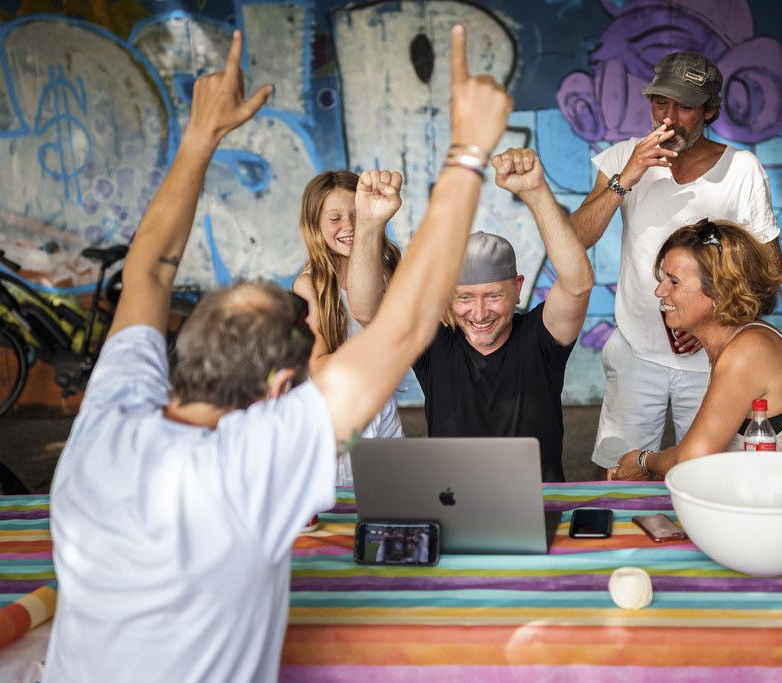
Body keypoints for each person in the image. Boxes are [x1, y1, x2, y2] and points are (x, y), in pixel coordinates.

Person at [44, 25, 512, 682]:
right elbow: (401, 331)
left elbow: (147, 268)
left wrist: (199, 135)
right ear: (278, 385)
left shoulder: (105, 415)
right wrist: (466, 151)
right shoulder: (249, 469)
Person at [569, 51, 782, 474]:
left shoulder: (741, 170)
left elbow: (770, 274)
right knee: (617, 475)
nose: (669, 117)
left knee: (710, 477)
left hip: (713, 357)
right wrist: (625, 178)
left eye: (684, 106)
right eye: (660, 103)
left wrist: (711, 320)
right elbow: (574, 240)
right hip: (635, 348)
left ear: (710, 109)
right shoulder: (622, 159)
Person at [608, 219, 782, 480]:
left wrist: (644, 461)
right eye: (663, 278)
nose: (659, 290)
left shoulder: (748, 351)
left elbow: (692, 458)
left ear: (719, 291)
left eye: (674, 281)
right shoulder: (738, 340)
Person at [413, 147, 594, 482]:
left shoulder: (540, 338)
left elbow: (578, 284)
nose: (479, 313)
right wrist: (369, 223)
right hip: (452, 501)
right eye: (464, 297)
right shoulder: (433, 344)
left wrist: (536, 192)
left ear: (517, 288)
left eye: (494, 295)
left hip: (539, 503)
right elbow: (366, 309)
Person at [293, 169, 405, 483]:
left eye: (357, 215)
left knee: (393, 491)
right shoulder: (310, 285)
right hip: (335, 415)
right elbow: (317, 366)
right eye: (335, 218)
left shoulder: (387, 267)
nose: (349, 226)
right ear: (315, 224)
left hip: (381, 403)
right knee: (346, 500)